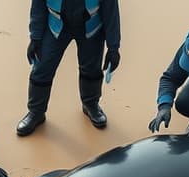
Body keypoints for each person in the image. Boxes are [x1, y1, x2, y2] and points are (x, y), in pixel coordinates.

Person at [16, 0, 121, 136]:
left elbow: (110, 9)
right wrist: (35, 37)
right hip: (57, 25)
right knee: (42, 68)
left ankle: (90, 105)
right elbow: (38, 5)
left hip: (90, 26)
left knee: (91, 69)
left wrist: (113, 47)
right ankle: (36, 112)